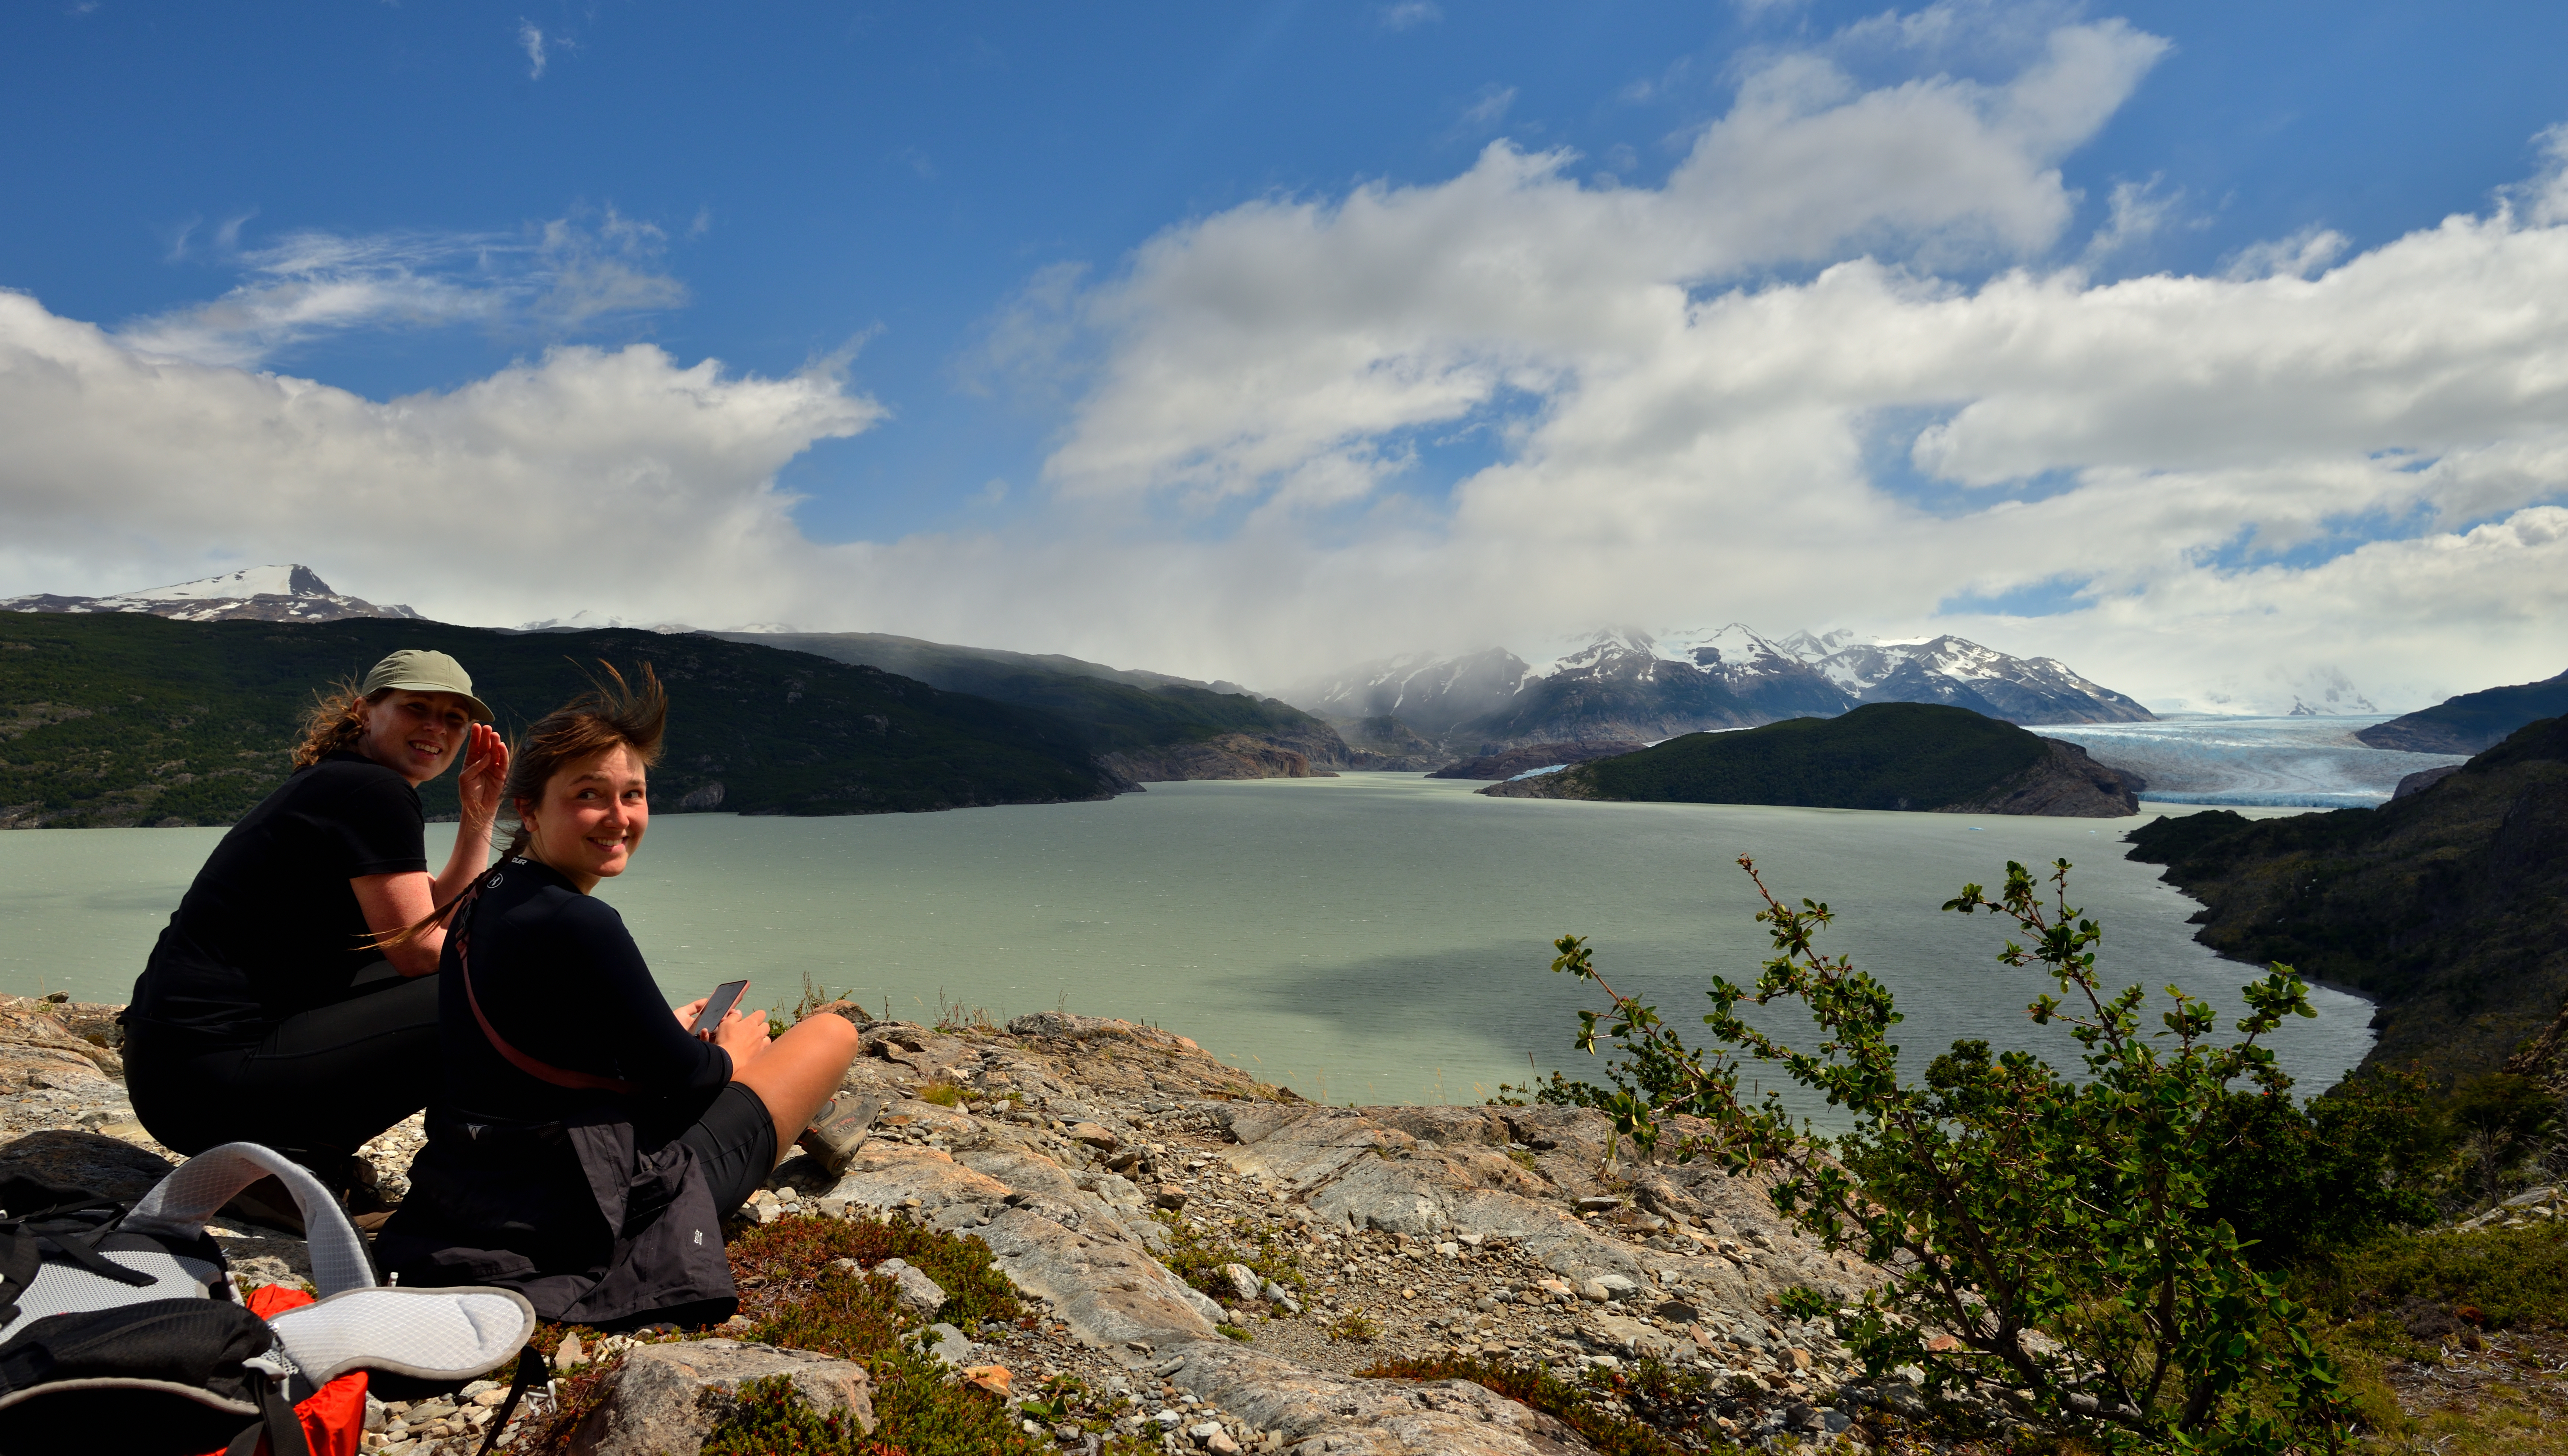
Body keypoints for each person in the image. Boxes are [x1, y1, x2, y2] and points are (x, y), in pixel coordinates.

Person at [375, 666, 865, 1329]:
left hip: (476, 1180)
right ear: (529, 808)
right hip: (584, 1197)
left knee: (711, 1039)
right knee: (831, 1035)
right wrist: (732, 1055)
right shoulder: (581, 922)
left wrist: (661, 1030)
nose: (619, 817)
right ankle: (811, 1110)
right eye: (589, 795)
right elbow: (690, 1084)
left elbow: (542, 1035)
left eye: (633, 795)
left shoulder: (487, 895)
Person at [121, 649, 509, 1209]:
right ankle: (459, 1185)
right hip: (209, 1086)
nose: (436, 728)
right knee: (493, 987)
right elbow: (422, 953)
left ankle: (291, 1164)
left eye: (454, 718)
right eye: (416, 708)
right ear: (365, 711)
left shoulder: (343, 783)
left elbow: (431, 919)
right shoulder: (373, 792)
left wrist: (479, 811)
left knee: (472, 973)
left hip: (177, 1081)